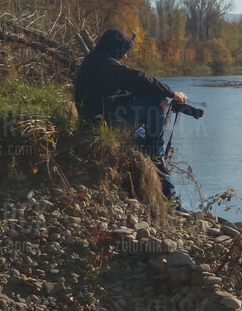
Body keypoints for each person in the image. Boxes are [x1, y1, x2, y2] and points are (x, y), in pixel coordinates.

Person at [73, 28, 189, 199]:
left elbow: (119, 93)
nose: (126, 56)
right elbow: (139, 78)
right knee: (155, 104)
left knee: (143, 139)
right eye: (125, 52)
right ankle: (158, 158)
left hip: (96, 123)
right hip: (103, 124)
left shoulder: (94, 61)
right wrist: (172, 94)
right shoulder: (106, 64)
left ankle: (165, 194)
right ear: (115, 48)